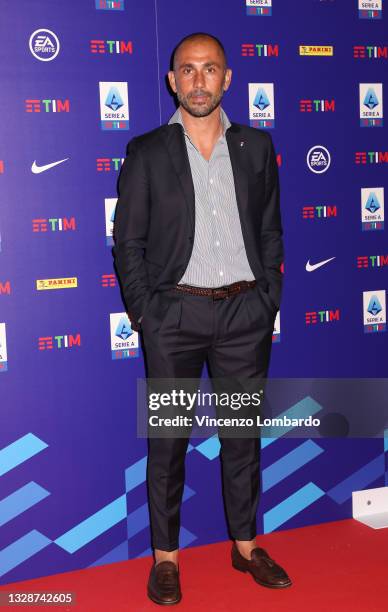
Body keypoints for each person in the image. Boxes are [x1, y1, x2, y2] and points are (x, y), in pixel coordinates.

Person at [113, 32, 291, 606]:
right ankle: (166, 560)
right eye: (186, 70)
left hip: (245, 317)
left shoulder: (257, 147)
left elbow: (269, 231)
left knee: (243, 440)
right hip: (175, 320)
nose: (197, 80)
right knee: (168, 443)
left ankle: (245, 547)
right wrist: (147, 313)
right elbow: (128, 243)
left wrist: (268, 299)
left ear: (227, 78)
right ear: (172, 81)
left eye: (209, 69)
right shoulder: (147, 152)